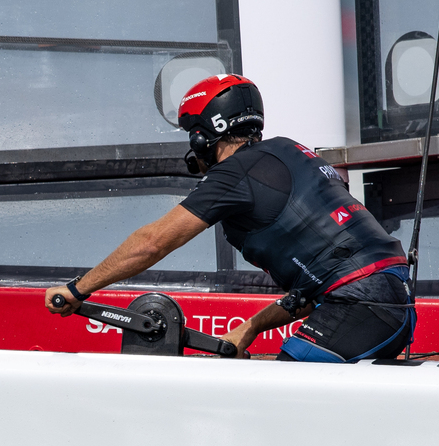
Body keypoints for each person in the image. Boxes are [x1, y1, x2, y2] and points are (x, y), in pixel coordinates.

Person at [44, 75, 414, 362]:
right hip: (392, 303)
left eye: (194, 135)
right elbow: (322, 284)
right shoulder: (287, 153)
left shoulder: (237, 172)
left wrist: (78, 290)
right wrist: (250, 328)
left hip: (362, 305)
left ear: (206, 136)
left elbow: (153, 242)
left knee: (272, 410)